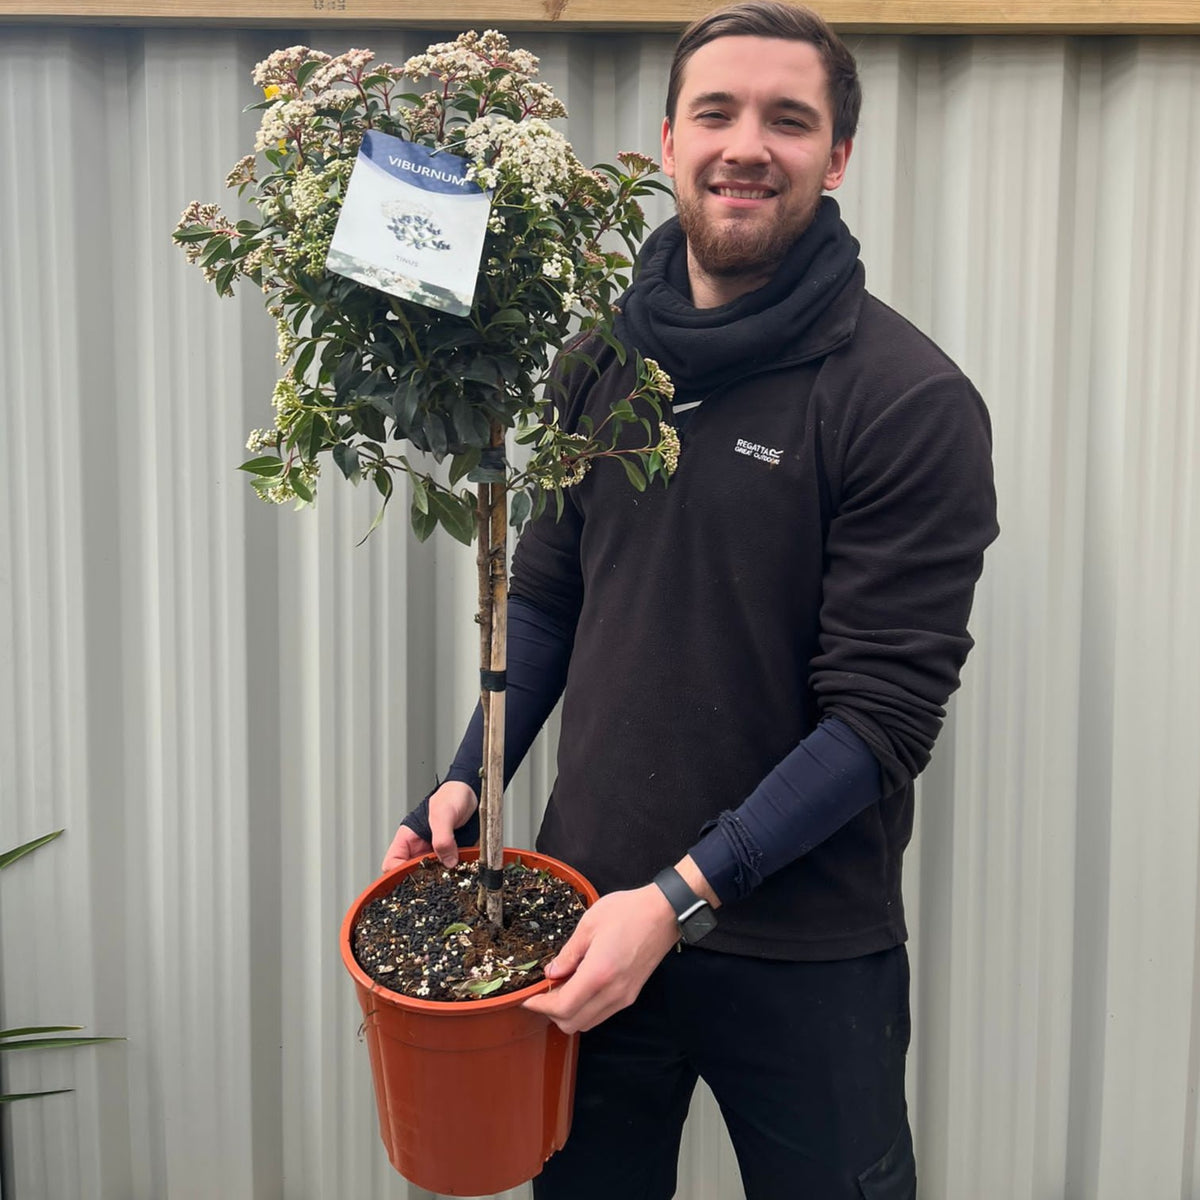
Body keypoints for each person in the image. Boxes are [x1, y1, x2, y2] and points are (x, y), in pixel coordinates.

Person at [384, 3, 998, 1196]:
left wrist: (677, 899)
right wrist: (469, 777)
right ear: (668, 143)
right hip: (581, 916)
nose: (746, 145)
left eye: (789, 119)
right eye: (715, 112)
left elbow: (881, 719)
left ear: (838, 156)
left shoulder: (906, 400)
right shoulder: (597, 362)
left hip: (806, 945)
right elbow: (550, 595)